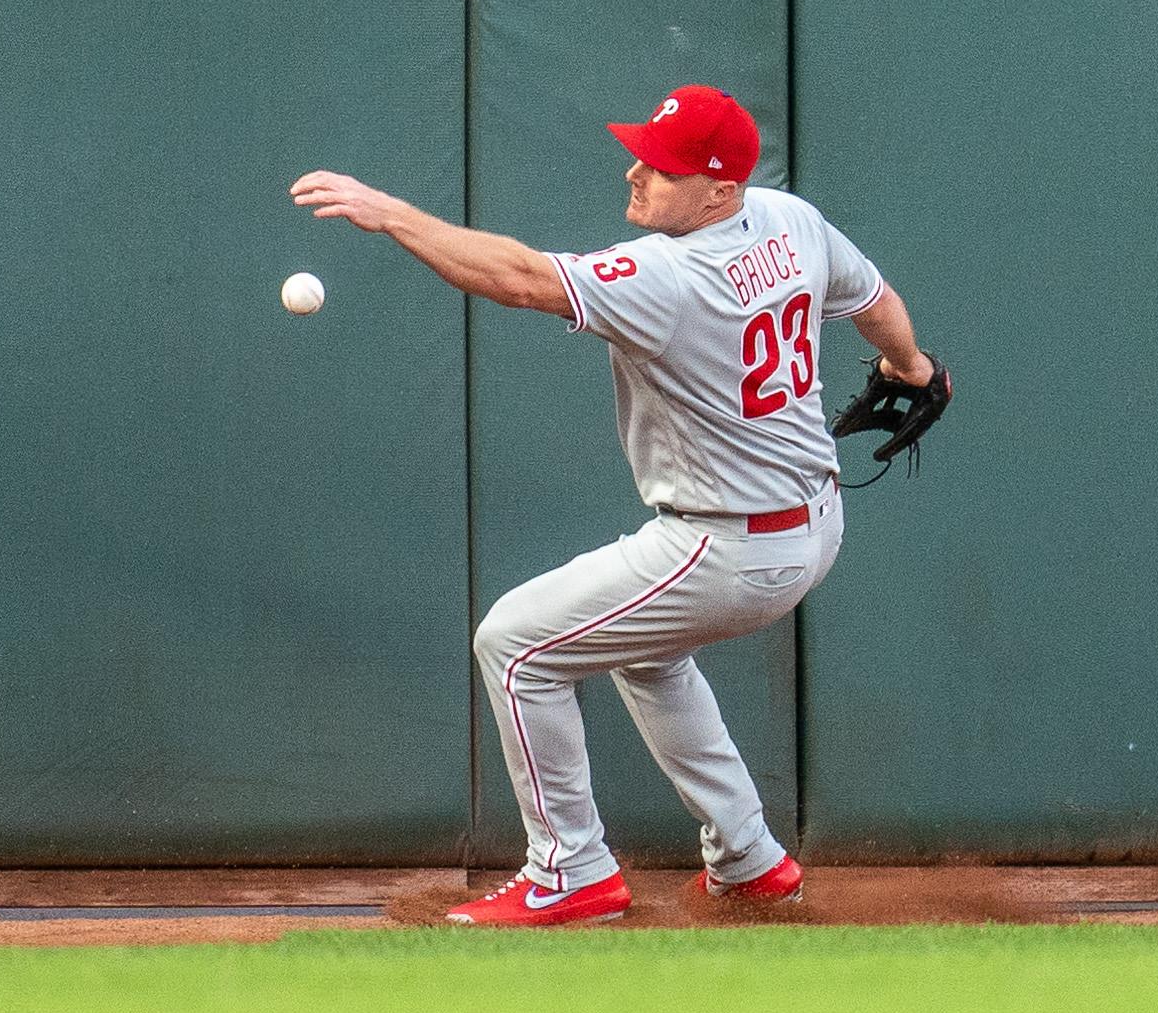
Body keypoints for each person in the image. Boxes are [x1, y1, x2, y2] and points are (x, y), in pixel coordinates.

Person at [290, 85, 936, 925]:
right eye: (640, 151)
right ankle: (748, 859)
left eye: (661, 167)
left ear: (718, 192)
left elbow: (520, 279)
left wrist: (391, 214)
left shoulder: (672, 275)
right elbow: (875, 302)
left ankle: (571, 871)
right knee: (645, 650)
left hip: (725, 549)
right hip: (809, 525)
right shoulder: (788, 220)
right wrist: (913, 369)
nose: (635, 170)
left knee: (515, 644)